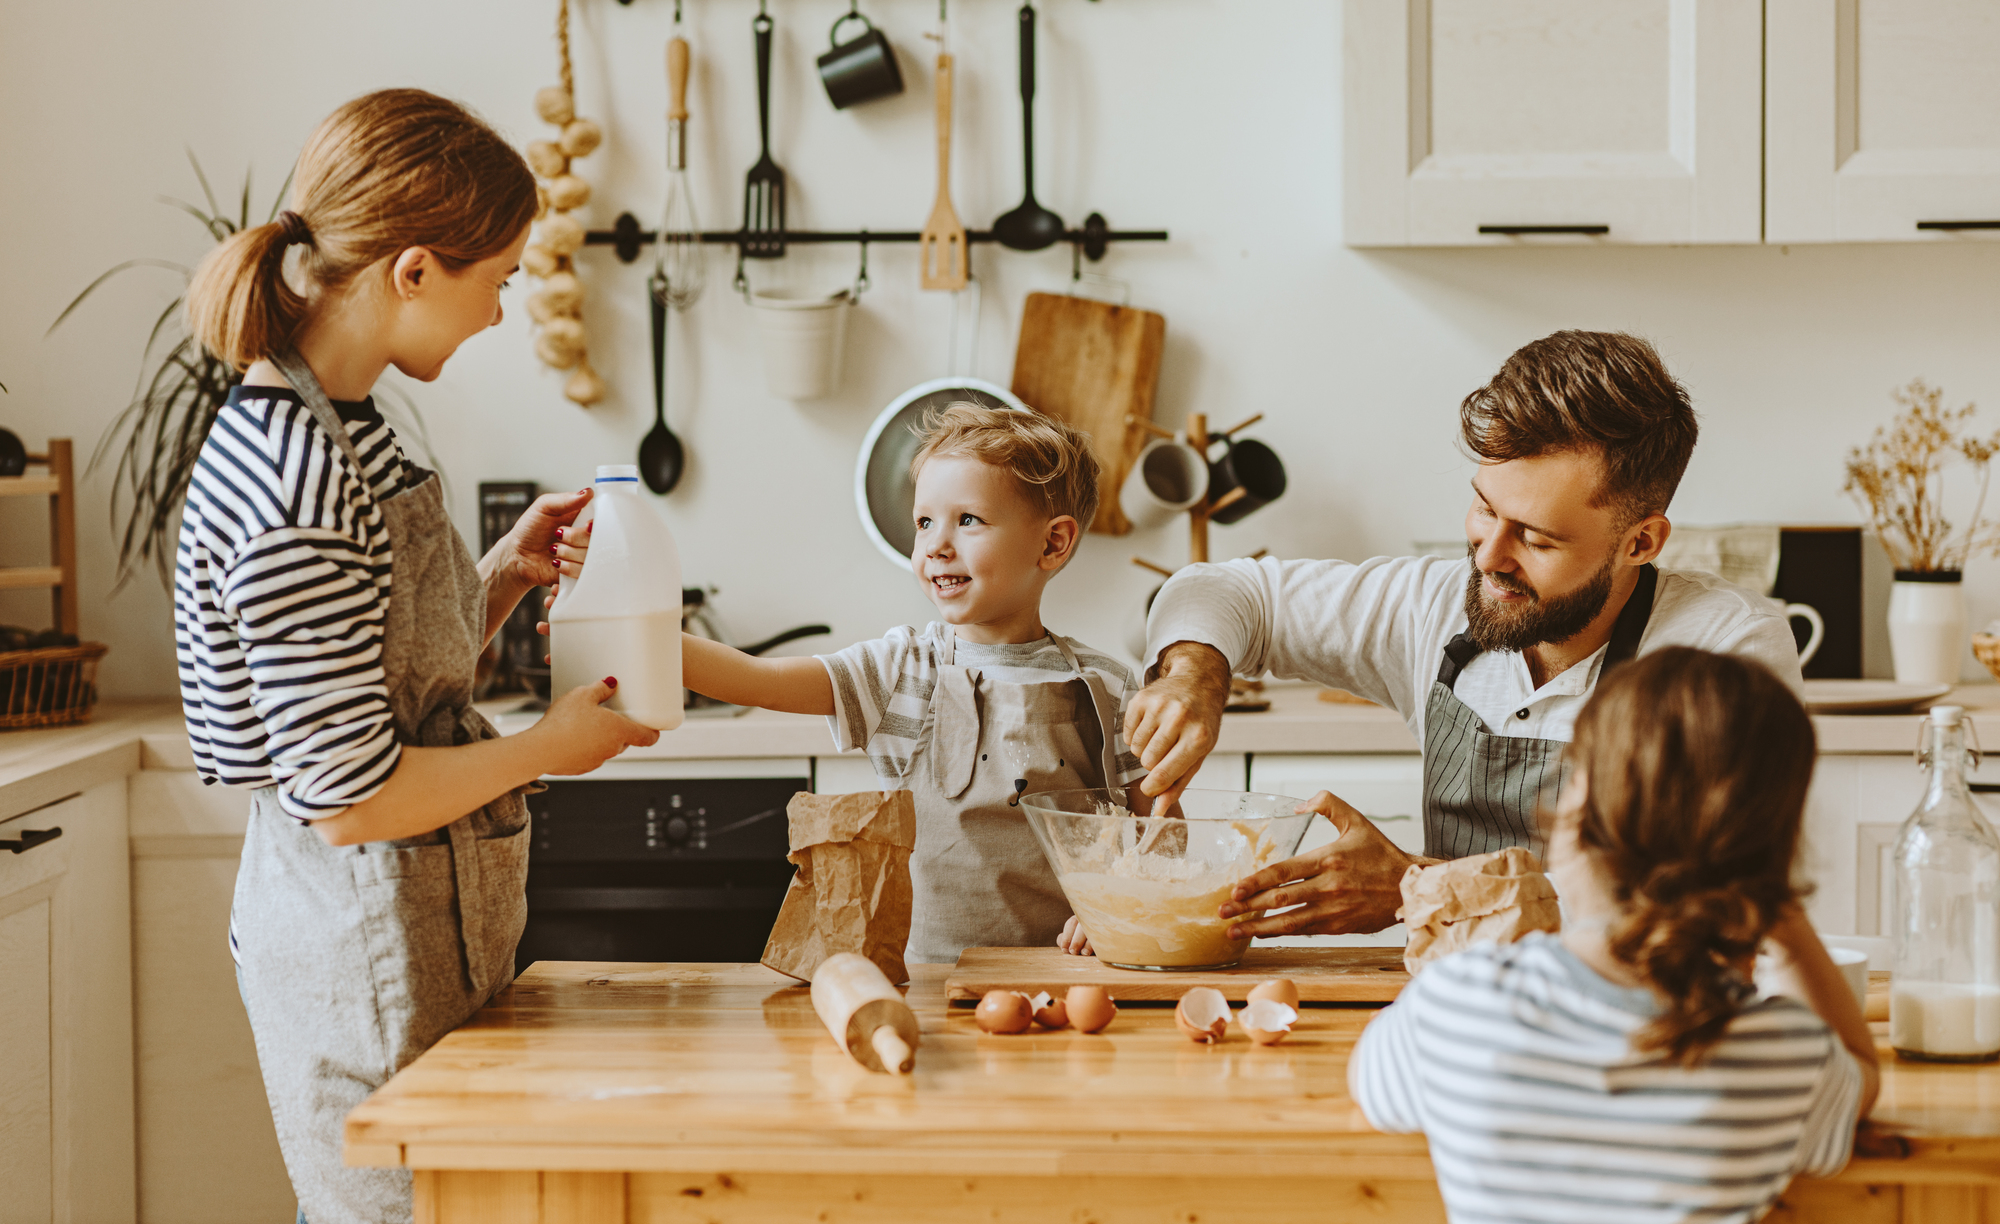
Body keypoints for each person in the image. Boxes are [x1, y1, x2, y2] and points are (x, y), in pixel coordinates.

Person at [175, 89, 658, 1224]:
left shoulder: (350, 422)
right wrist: (549, 746)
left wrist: (499, 575)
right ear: (411, 271)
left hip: (412, 923)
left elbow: (375, 677)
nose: (496, 314)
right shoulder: (297, 481)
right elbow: (350, 797)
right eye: (494, 279)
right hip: (361, 947)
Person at [1118, 331, 1804, 944]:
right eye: (1484, 507)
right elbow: (1223, 590)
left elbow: (1709, 905)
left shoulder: (1725, 654)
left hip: (1641, 1033)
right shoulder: (1432, 605)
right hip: (1458, 1013)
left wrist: (1417, 887)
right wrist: (1194, 675)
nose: (1487, 557)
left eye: (1535, 538)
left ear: (1640, 542)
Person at [1348, 647, 1877, 1223]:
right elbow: (1860, 1073)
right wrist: (1781, 914)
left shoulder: (1460, 1002)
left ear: (1573, 814)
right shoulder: (1782, 1054)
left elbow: (1372, 1085)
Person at [678, 403, 1147, 963]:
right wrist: (636, 632)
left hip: (1071, 979)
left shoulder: (1111, 686)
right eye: (925, 522)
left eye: (967, 520)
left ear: (1052, 543)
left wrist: (1120, 907)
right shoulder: (901, 672)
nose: (935, 545)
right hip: (926, 985)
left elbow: (1158, 833)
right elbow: (758, 680)